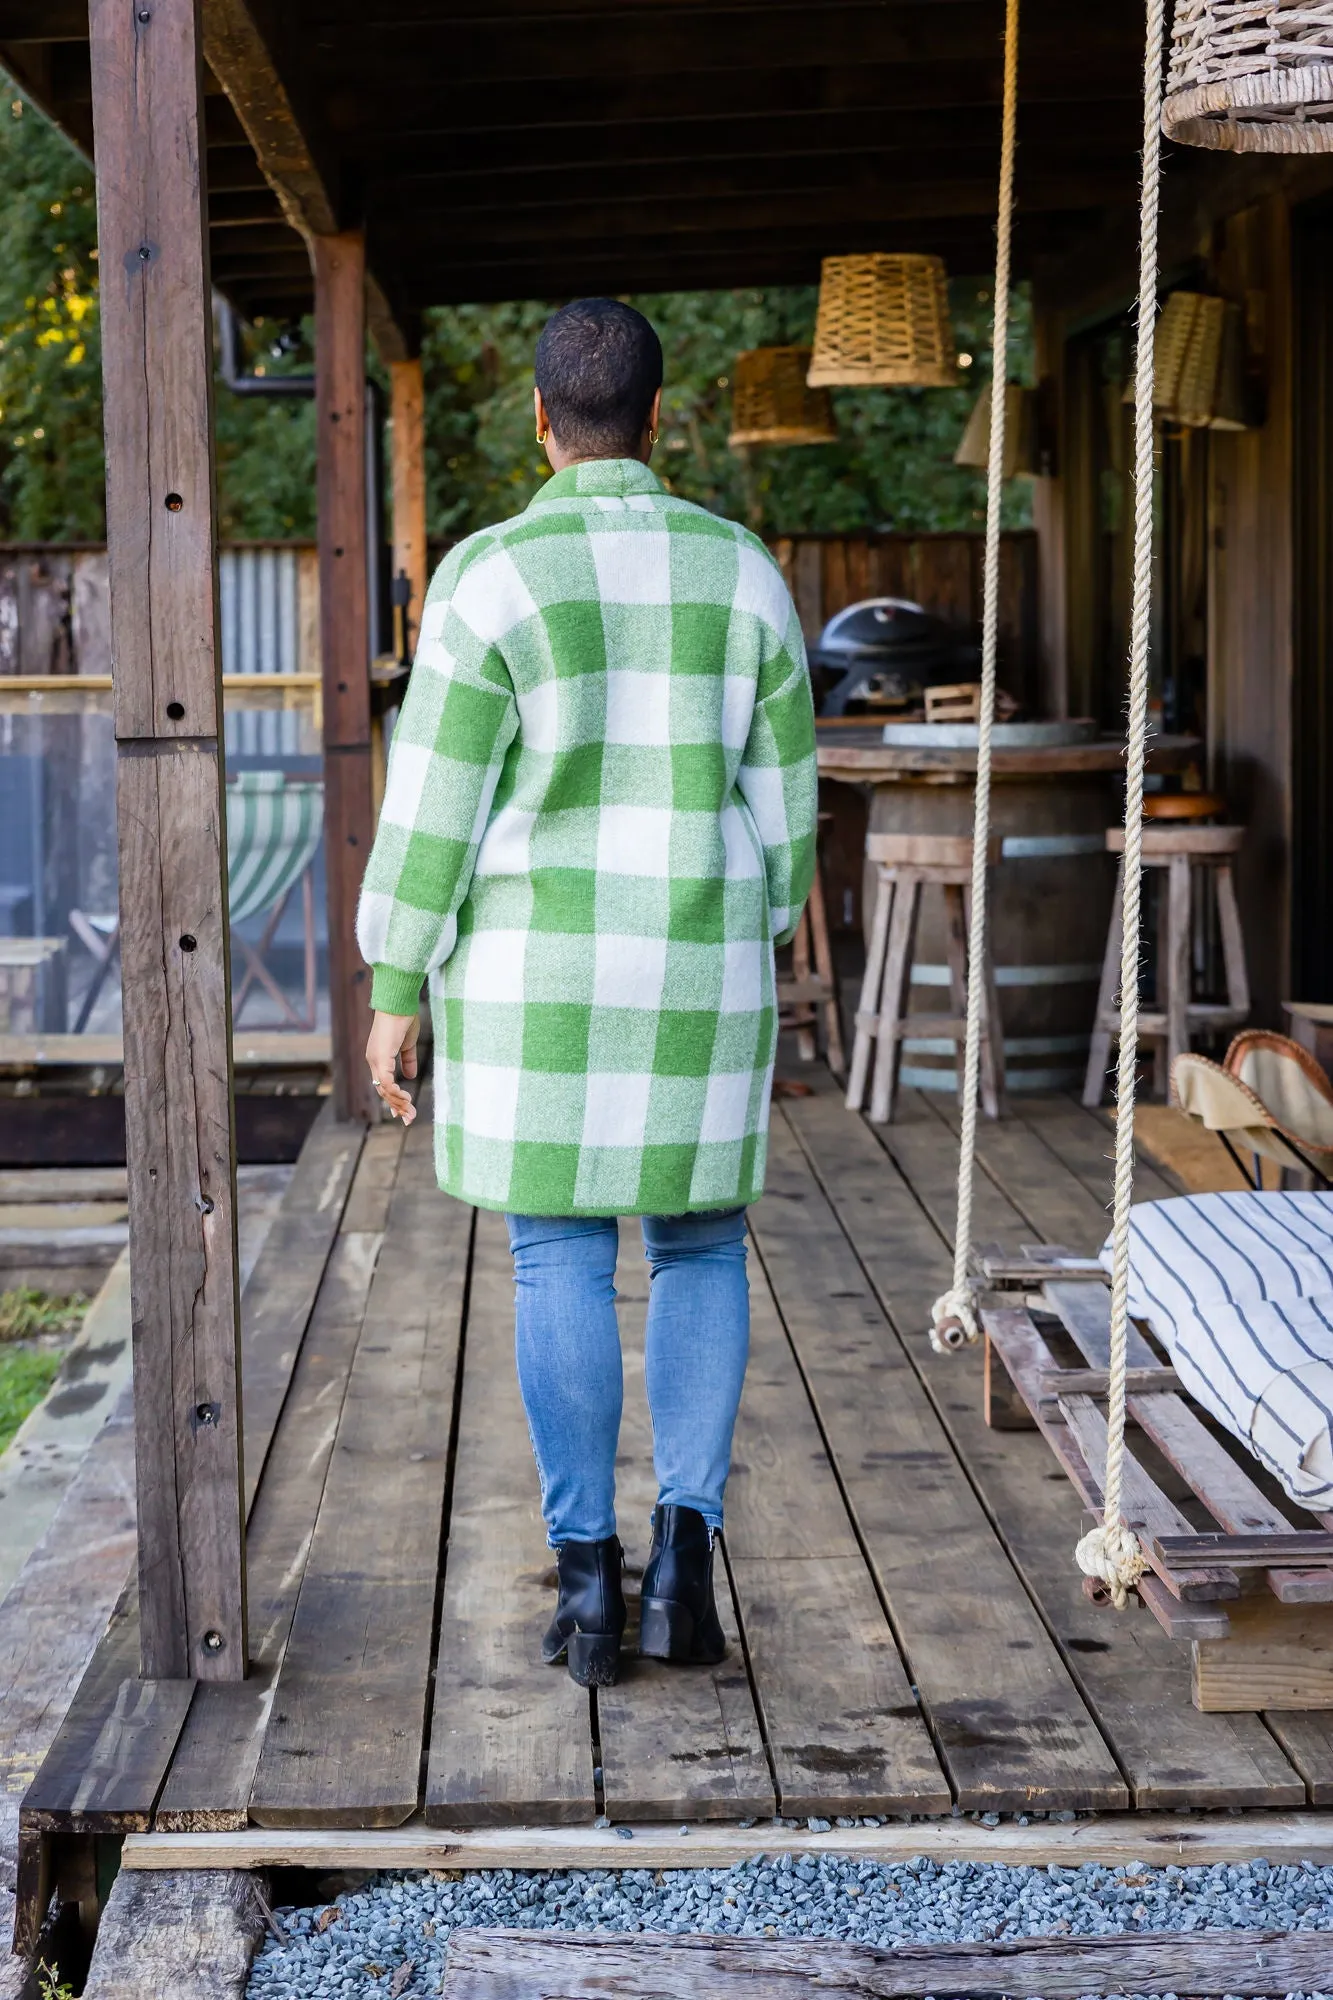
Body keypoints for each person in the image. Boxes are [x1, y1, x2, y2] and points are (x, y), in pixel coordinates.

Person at [357, 298, 817, 1687]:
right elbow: (787, 820)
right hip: (698, 968)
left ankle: (584, 1591)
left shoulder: (487, 580)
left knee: (556, 1256)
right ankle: (684, 1571)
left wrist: (396, 983)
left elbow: (433, 808)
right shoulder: (744, 577)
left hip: (529, 983)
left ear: (539, 422)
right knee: (701, 1247)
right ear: (659, 421)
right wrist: (760, 928)